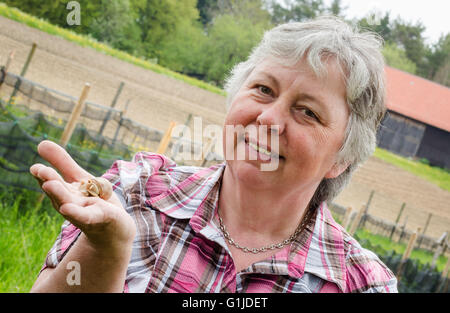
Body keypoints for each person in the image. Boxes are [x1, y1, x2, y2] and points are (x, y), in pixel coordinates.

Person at [29, 16, 397, 293]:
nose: (268, 117)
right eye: (264, 89)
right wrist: (105, 249)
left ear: (341, 158)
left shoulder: (361, 284)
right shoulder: (135, 194)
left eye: (308, 112)